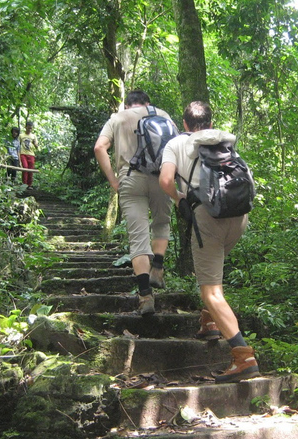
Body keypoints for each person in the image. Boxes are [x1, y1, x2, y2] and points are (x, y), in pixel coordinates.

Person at [158, 101, 259, 383]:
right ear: (210, 121)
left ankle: (243, 356)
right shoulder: (223, 141)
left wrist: (179, 198)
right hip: (238, 215)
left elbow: (166, 180)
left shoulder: (176, 143)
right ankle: (210, 322)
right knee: (212, 273)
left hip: (208, 217)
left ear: (185, 123)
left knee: (211, 291)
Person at [94, 90, 176, 316]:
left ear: (127, 104)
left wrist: (113, 180)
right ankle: (157, 268)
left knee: (138, 236)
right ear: (147, 103)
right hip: (161, 177)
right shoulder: (163, 114)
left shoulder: (118, 118)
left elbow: (99, 147)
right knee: (161, 222)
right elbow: (178, 147)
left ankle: (145, 295)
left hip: (129, 178)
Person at [19, 120, 39, 188]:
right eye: (28, 128)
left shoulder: (33, 136)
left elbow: (36, 145)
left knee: (31, 170)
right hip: (23, 153)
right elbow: (17, 145)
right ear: (26, 127)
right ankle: (24, 184)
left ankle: (29, 185)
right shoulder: (21, 135)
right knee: (25, 168)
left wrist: (36, 144)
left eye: (31, 128)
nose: (30, 129)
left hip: (31, 154)